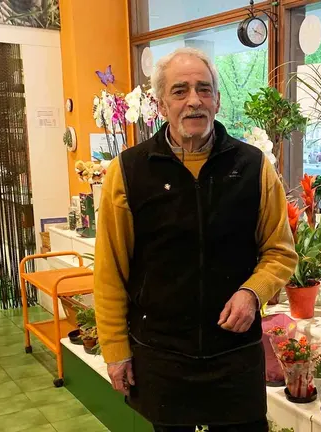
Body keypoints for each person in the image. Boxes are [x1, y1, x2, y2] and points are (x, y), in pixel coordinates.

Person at [93, 47, 297, 432]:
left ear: (217, 101)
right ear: (161, 102)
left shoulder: (253, 167)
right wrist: (116, 349)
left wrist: (253, 292)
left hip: (234, 356)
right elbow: (110, 271)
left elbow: (280, 251)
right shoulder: (130, 171)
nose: (193, 101)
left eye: (204, 90)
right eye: (180, 90)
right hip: (161, 355)